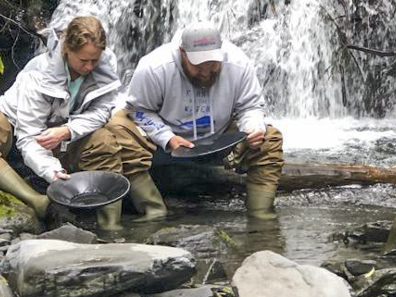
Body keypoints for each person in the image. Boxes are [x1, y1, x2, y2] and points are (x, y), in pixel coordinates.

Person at [0, 15, 126, 229]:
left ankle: (111, 227)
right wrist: (52, 172)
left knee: (105, 141)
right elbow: (29, 137)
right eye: (83, 60)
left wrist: (67, 131)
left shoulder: (105, 68)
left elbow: (101, 112)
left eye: (95, 60)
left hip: (67, 135)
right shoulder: (38, 74)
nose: (89, 67)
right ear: (67, 50)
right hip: (17, 125)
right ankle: (37, 201)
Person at [106, 21, 284, 220]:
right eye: (199, 65)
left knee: (270, 137)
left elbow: (250, 107)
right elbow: (138, 110)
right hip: (162, 146)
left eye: (213, 63)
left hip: (219, 142)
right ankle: (153, 211)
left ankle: (261, 216)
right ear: (182, 52)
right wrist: (167, 137)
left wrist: (252, 127)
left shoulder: (238, 63)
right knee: (117, 125)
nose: (206, 71)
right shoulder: (154, 66)